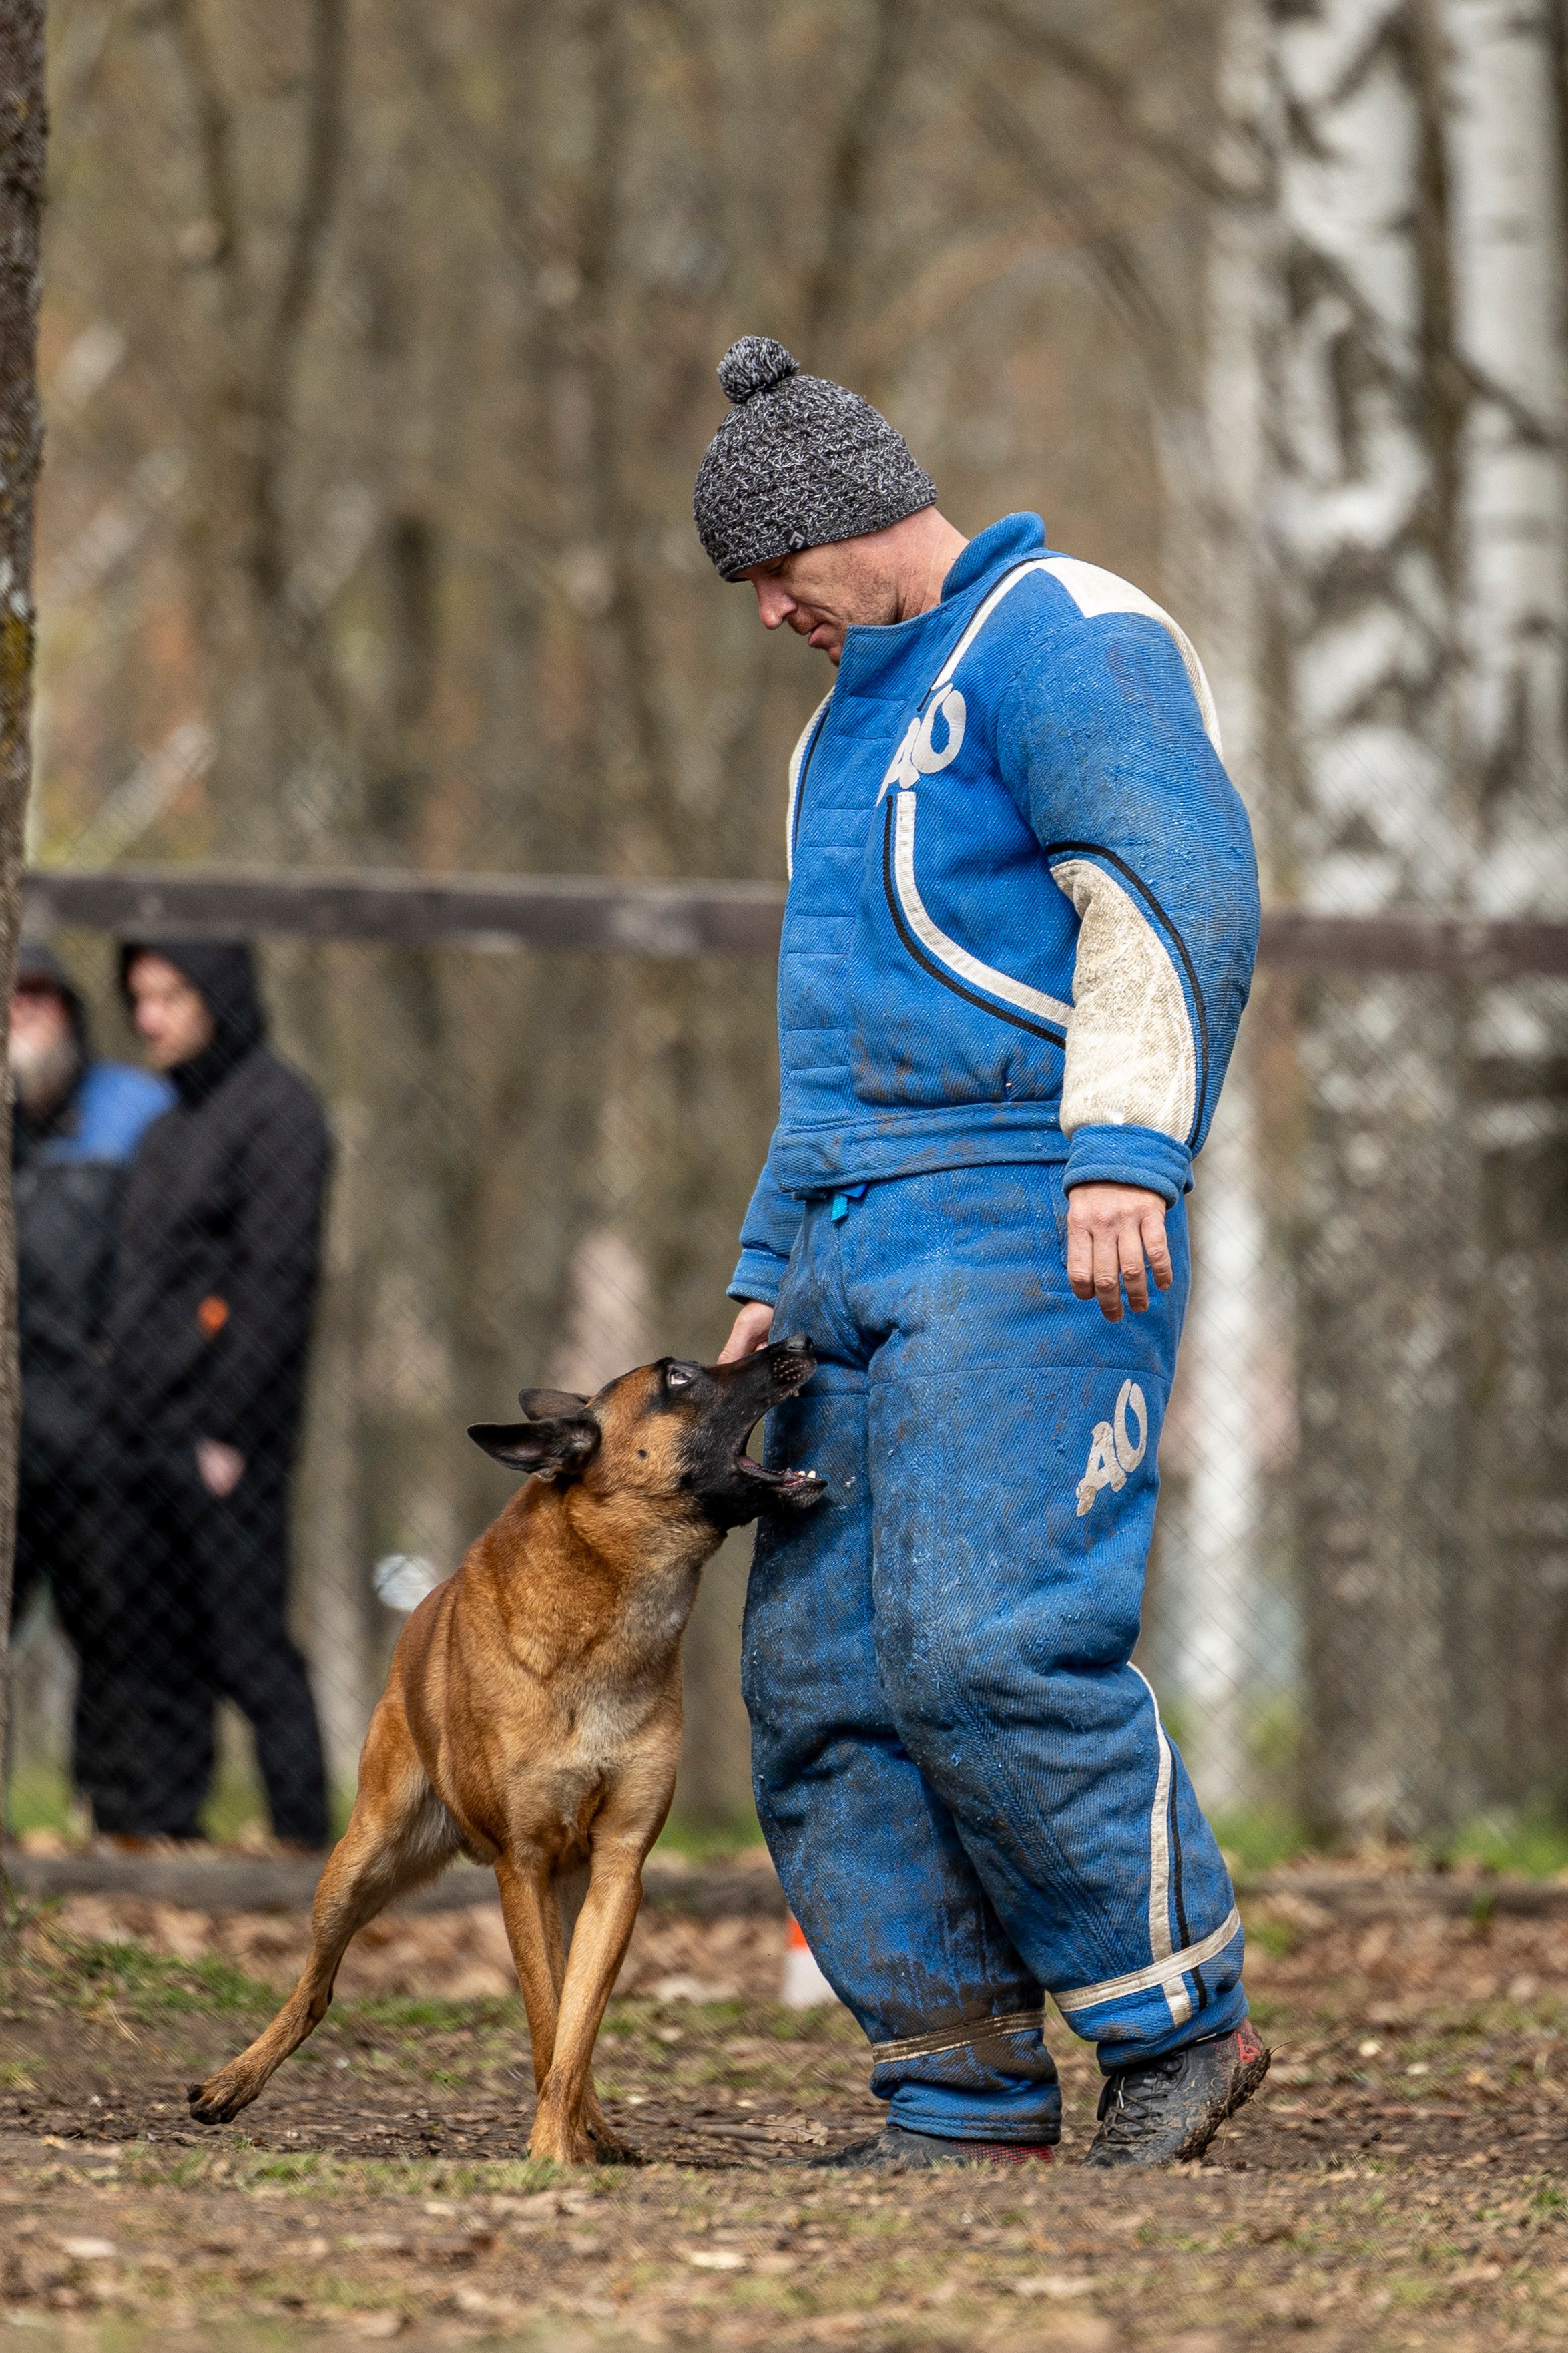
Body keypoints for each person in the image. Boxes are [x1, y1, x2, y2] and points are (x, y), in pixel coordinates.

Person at [694, 337, 1265, 2169]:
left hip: (1033, 1208)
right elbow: (824, 1021)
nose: (770, 609)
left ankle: (1176, 2013)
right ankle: (954, 2085)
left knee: (983, 1643)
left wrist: (1123, 1150)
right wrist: (768, 1256)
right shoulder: (841, 720)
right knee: (820, 1670)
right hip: (856, 1223)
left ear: (852, 518)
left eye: (777, 571)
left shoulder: (1061, 629)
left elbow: (1168, 876)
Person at [105, 940, 331, 1849]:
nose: (150, 1017)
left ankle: (308, 1844)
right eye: (139, 998)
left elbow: (278, 1285)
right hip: (142, 1428)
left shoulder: (280, 1116)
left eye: (170, 995)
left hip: (231, 1438)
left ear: (219, 997)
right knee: (157, 1647)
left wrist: (228, 1428)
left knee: (249, 1646)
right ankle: (165, 1834)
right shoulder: (166, 1128)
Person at [8, 941, 172, 1830]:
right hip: (12, 1426)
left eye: (42, 999)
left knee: (113, 1627)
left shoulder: (132, 1115)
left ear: (72, 1014)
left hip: (100, 1426)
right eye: (12, 998)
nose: (24, 1015)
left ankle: (120, 1821)